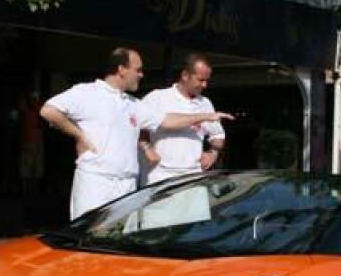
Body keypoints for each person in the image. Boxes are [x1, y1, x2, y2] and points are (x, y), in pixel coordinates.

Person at [41, 47, 233, 219]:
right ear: (121, 69)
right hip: (96, 181)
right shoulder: (87, 92)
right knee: (88, 243)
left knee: (125, 246)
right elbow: (49, 111)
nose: (142, 75)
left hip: (128, 185)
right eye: (138, 69)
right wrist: (78, 135)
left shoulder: (133, 104)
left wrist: (207, 115)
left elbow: (167, 120)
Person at [139, 53, 226, 184]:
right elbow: (137, 126)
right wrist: (146, 147)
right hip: (159, 175)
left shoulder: (205, 103)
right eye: (200, 80)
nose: (205, 85)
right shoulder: (157, 98)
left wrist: (213, 152)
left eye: (207, 80)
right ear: (185, 75)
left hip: (193, 175)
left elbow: (218, 134)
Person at [16, 90, 45, 194]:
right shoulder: (26, 107)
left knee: (36, 167)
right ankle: (26, 191)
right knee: (27, 167)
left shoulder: (38, 107)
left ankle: (34, 191)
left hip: (36, 141)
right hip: (28, 141)